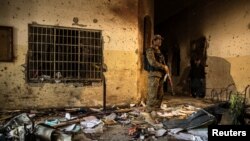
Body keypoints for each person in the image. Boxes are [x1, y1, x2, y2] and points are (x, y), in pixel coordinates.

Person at [145, 34, 173, 112]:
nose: (160, 41)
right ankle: (150, 110)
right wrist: (163, 66)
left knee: (160, 94)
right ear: (153, 41)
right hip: (154, 74)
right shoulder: (150, 50)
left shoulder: (159, 52)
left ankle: (156, 108)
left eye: (161, 40)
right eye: (158, 39)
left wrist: (166, 70)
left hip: (160, 74)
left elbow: (162, 62)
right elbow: (152, 62)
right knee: (152, 93)